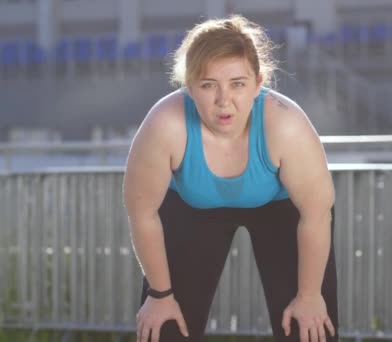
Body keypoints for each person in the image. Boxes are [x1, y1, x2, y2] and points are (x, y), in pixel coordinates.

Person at [122, 15, 339, 342]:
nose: (224, 101)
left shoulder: (285, 125)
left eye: (237, 84)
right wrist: (159, 295)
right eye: (209, 85)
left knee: (308, 327)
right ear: (190, 87)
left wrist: (309, 297)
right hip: (191, 206)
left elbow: (317, 213)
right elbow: (143, 214)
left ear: (258, 83)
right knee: (164, 328)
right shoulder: (165, 125)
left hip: (279, 207)